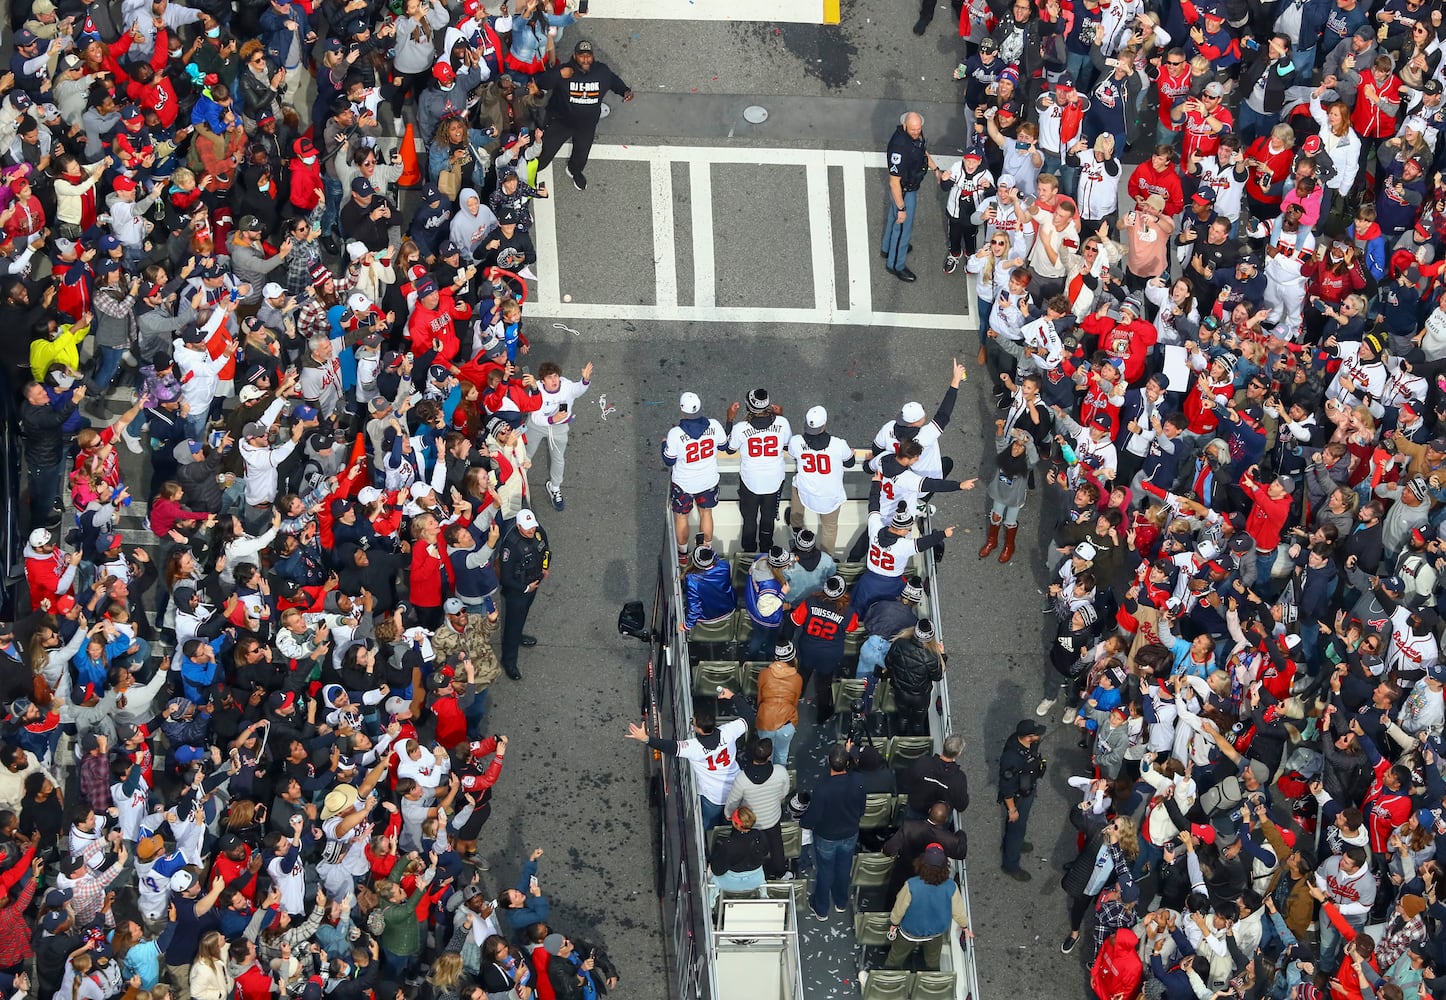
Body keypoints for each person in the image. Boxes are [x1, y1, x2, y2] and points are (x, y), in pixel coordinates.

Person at [626, 688, 752, 830]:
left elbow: (670, 747)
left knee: (707, 823)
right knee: (730, 822)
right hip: (736, 790)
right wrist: (732, 696)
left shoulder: (695, 748)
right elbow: (748, 716)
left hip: (713, 797)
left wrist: (646, 739)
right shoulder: (729, 732)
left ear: (699, 729)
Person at [531, 41, 633, 191]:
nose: (585, 59)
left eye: (588, 55)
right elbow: (542, 83)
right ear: (574, 56)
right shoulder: (565, 71)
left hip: (587, 124)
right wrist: (558, 74)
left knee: (582, 152)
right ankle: (530, 171)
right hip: (561, 121)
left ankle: (574, 171)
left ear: (592, 56)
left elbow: (613, 81)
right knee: (545, 152)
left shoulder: (601, 71)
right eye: (581, 56)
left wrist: (625, 91)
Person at [800, 746, 866, 921]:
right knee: (844, 868)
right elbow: (861, 809)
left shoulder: (823, 788)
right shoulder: (859, 780)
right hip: (850, 833)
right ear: (848, 763)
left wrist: (804, 822)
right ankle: (841, 902)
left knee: (825, 870)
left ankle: (821, 909)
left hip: (826, 837)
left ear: (829, 762)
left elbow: (813, 817)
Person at [884, 843, 973, 970]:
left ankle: (889, 977)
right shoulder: (951, 886)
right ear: (944, 866)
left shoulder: (911, 885)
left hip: (910, 931)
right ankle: (931, 981)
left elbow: (899, 909)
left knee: (895, 957)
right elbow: (958, 912)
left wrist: (894, 923)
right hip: (935, 932)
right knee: (932, 961)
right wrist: (964, 926)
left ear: (922, 863)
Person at [662, 391, 727, 563]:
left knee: (682, 516)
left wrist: (663, 444)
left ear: (682, 409)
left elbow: (668, 460)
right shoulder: (714, 425)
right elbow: (724, 446)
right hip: (708, 480)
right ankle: (705, 552)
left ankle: (683, 555)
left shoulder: (675, 434)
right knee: (706, 514)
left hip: (684, 483)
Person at [496, 508, 549, 681]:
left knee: (523, 615)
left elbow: (546, 550)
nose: (531, 530)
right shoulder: (510, 546)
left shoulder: (537, 530)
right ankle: (509, 661)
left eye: (532, 527)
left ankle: (518, 635)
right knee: (513, 624)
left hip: (534, 583)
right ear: (519, 526)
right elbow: (505, 577)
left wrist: (545, 567)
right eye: (527, 528)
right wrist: (525, 588)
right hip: (518, 591)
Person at [881, 112, 936, 282]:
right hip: (904, 191)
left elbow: (922, 151)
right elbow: (893, 182)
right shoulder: (899, 148)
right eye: (912, 129)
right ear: (905, 126)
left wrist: (936, 169)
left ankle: (888, 248)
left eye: (918, 129)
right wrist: (902, 208)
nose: (916, 132)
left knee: (893, 220)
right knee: (903, 228)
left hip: (906, 188)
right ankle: (896, 265)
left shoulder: (912, 137)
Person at [997, 720, 1046, 881]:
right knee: (1016, 828)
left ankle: (1013, 844)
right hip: (1018, 797)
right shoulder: (1012, 758)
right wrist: (1012, 809)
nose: (1039, 736)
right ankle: (1010, 864)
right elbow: (1007, 787)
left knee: (1018, 827)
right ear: (1028, 737)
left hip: (1027, 789)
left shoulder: (1024, 743)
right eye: (1036, 734)